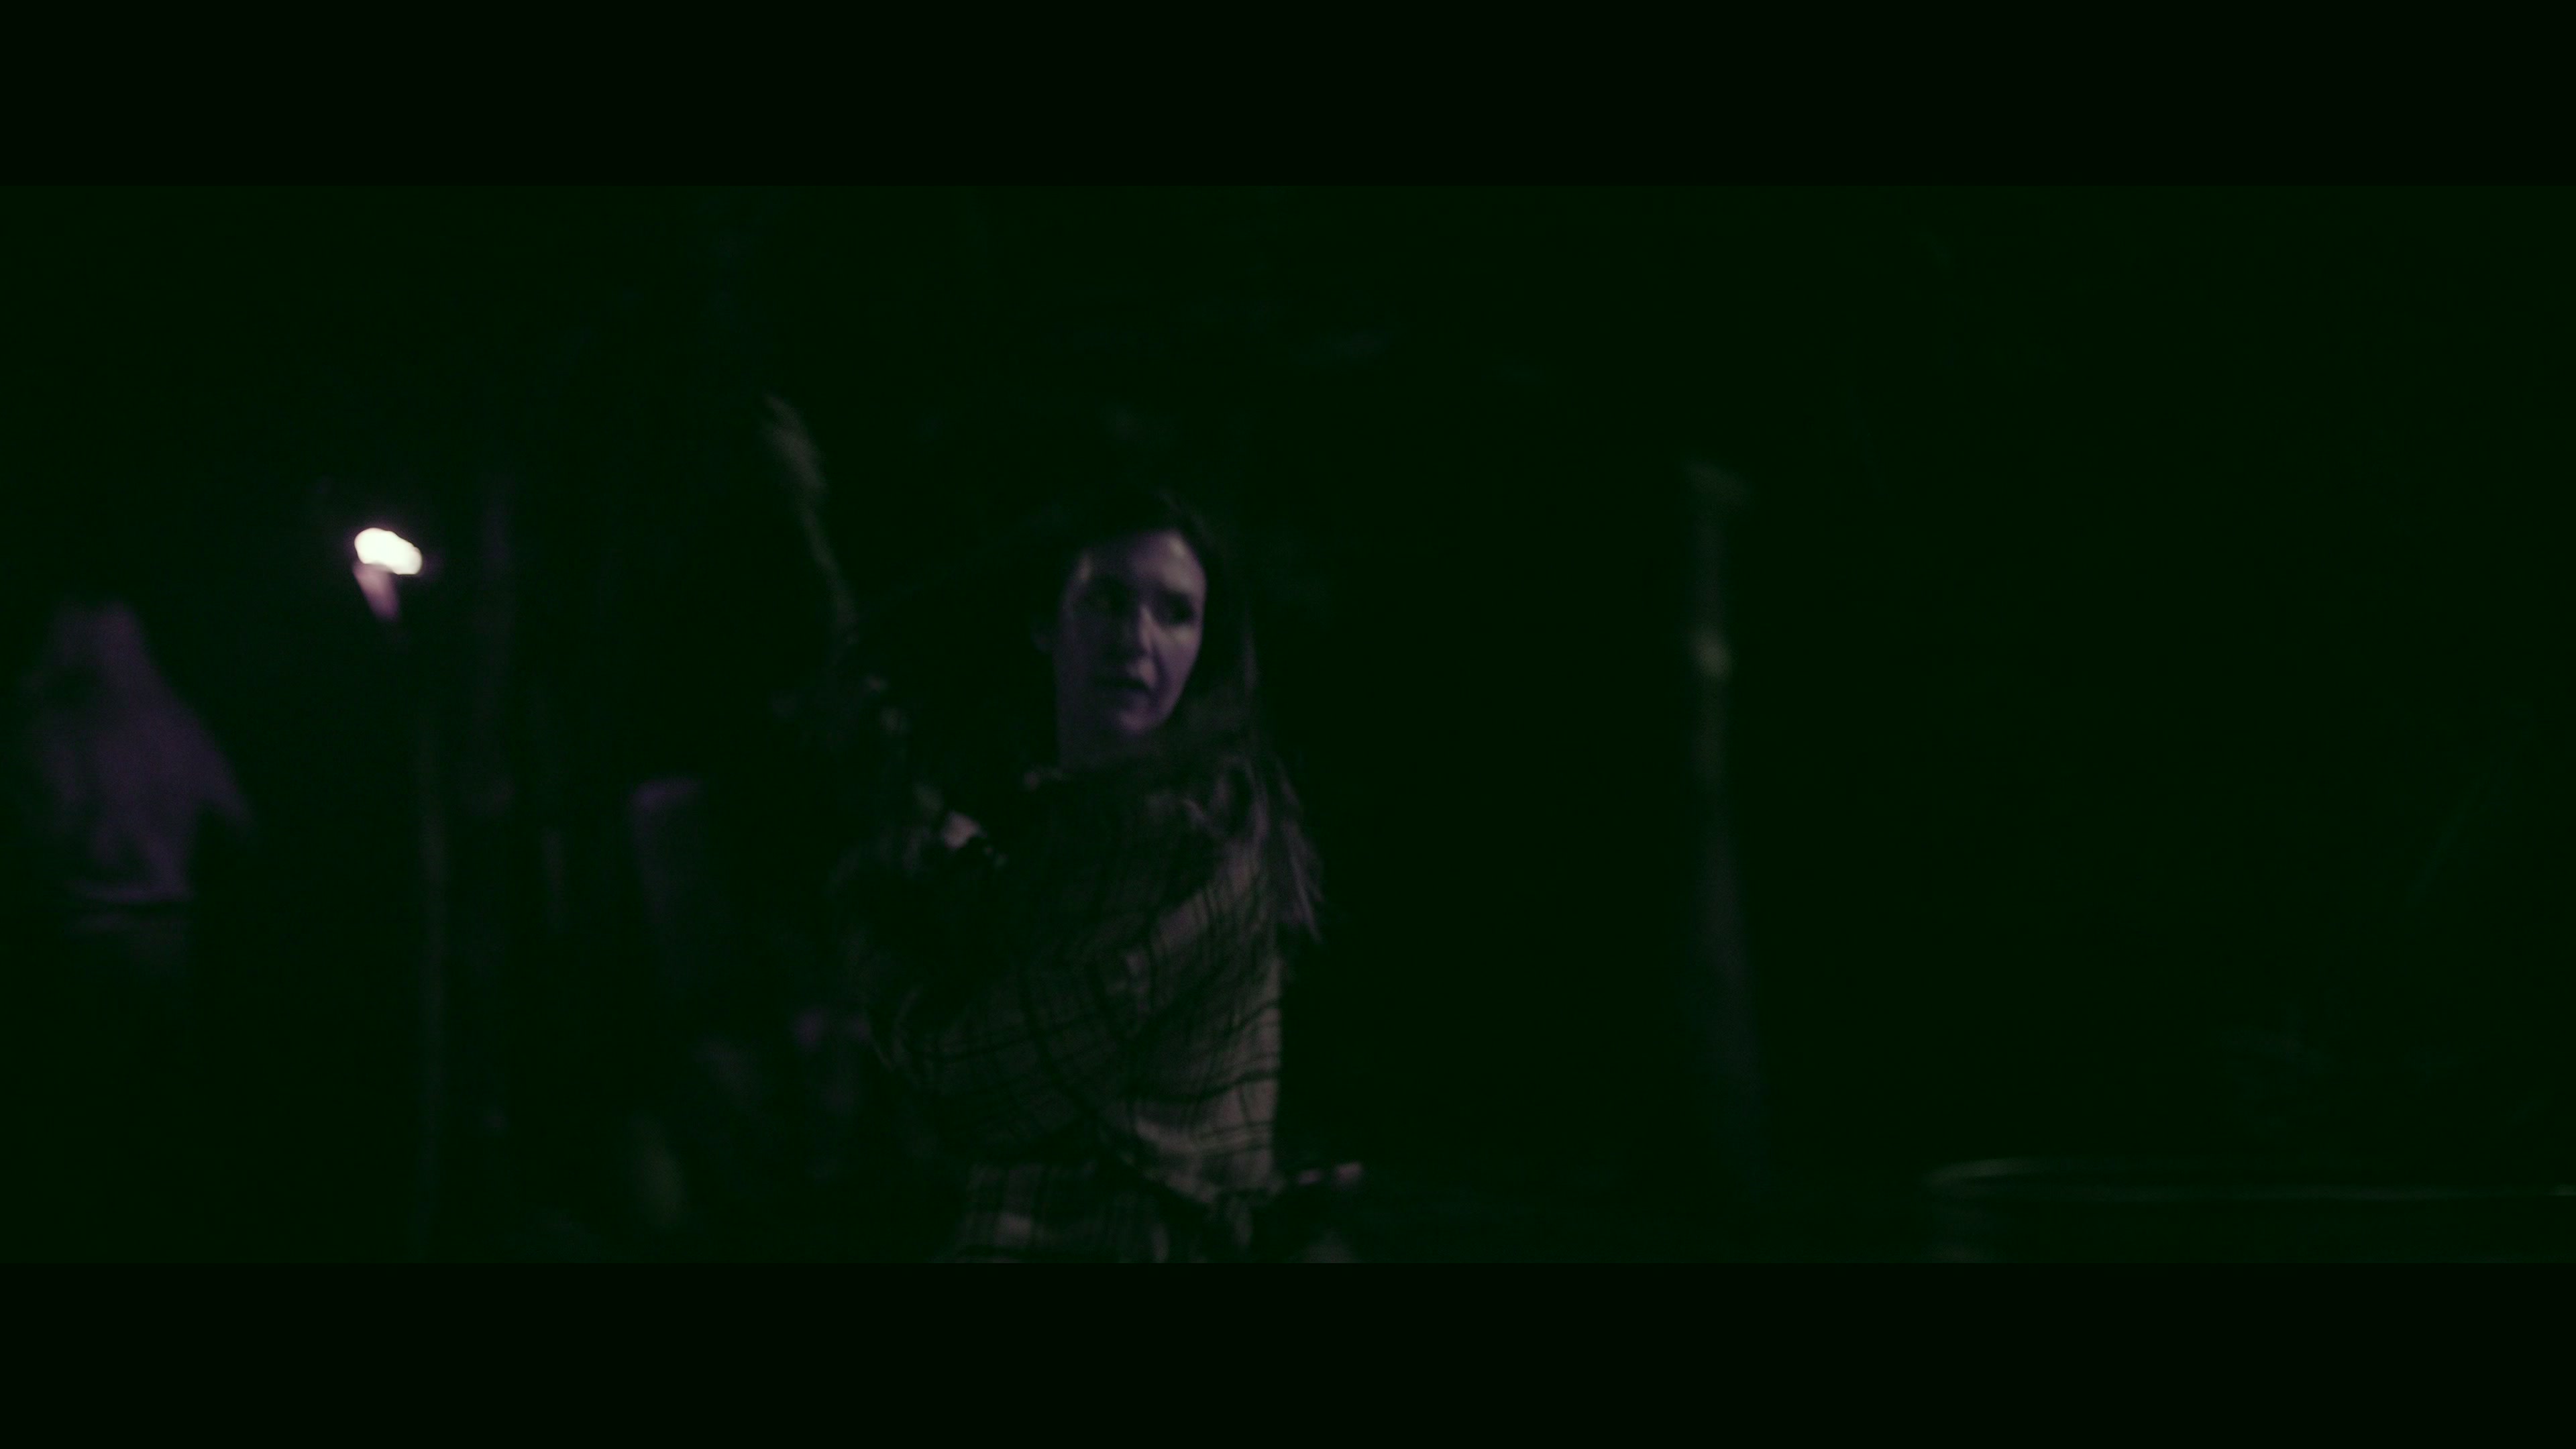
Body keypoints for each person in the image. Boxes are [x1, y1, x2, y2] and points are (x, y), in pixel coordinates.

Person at [830, 480, 1324, 1263]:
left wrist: (873, 940)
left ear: (1204, 647)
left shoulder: (1192, 834)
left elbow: (979, 1087)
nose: (1136, 638)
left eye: (1176, 613)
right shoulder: (1058, 821)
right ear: (1045, 623)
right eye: (1107, 601)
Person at [1, 594, 253, 1257]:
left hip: (88, 943)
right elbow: (236, 822)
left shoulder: (56, 732)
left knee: (84, 1112)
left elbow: (39, 839)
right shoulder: (177, 724)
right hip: (171, 940)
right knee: (164, 1105)